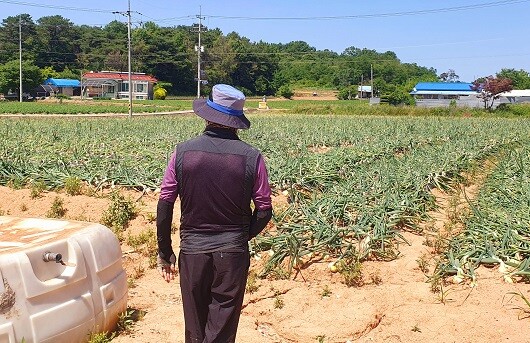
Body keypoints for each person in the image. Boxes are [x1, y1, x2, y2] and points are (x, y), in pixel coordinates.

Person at [156, 84, 273, 343]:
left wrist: (165, 252)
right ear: (235, 121)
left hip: (193, 251)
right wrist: (240, 237)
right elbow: (264, 210)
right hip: (232, 254)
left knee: (195, 327)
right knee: (221, 329)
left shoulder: (182, 152)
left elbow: (165, 202)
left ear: (208, 115)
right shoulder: (253, 158)